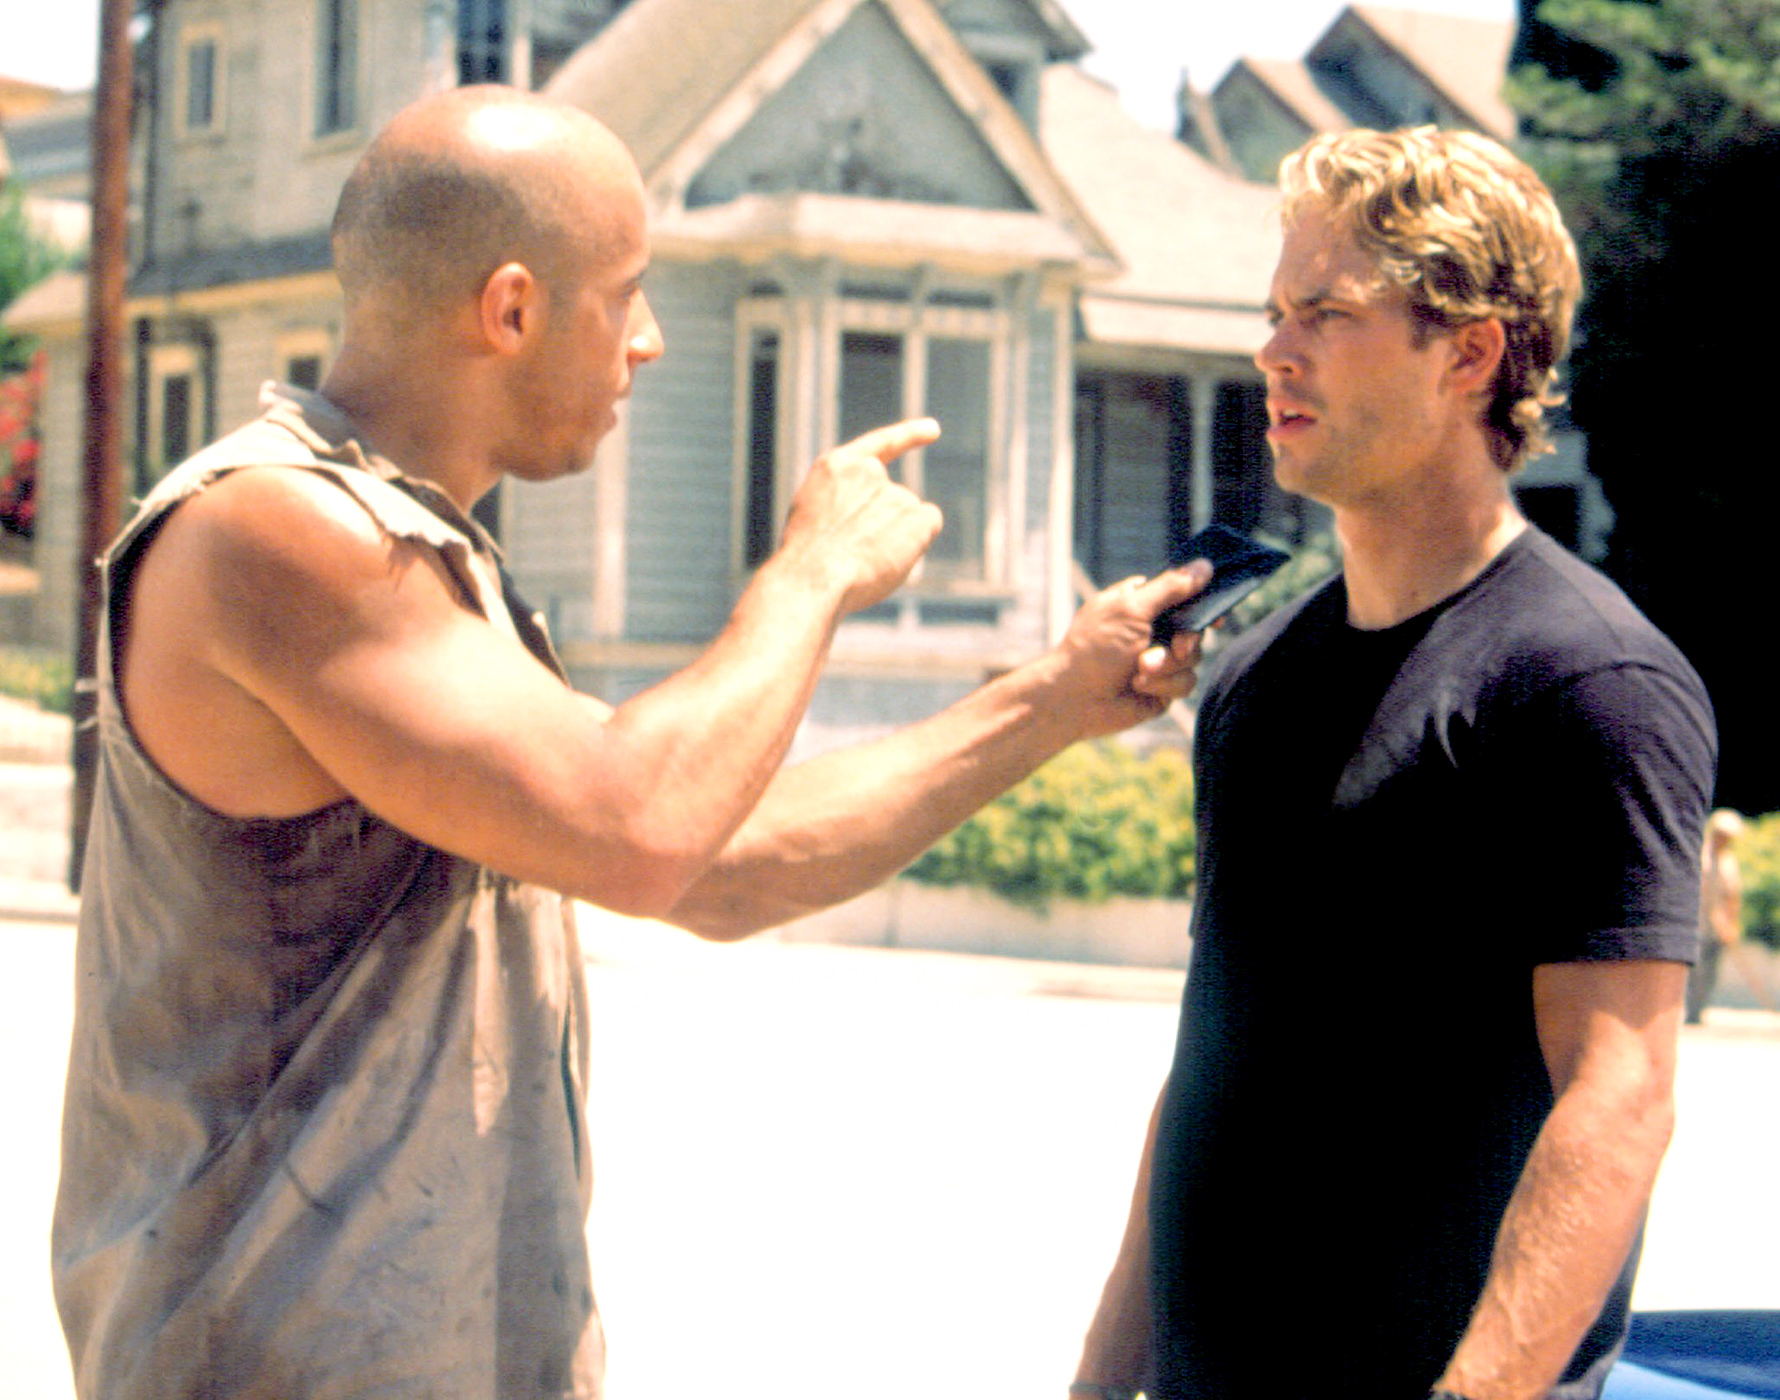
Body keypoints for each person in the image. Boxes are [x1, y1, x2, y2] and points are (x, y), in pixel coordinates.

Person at [51, 86, 1213, 1400]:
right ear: (511, 309)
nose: (650, 341)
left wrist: (1053, 697)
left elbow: (723, 863)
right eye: (626, 294)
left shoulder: (422, 561)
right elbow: (639, 827)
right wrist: (813, 571)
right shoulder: (279, 529)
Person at [1072, 128, 1716, 1400]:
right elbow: (1209, 1069)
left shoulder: (1586, 681)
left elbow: (1619, 1094)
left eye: (1325, 312)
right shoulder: (1252, 682)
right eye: (1274, 312)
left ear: (1467, 354)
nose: (1273, 349)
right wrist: (1099, 1379)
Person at [1686, 809, 1745, 1022]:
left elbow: (1732, 897)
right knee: (1695, 970)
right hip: (1696, 924)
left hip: (1717, 928)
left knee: (1711, 971)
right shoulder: (1699, 856)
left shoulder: (1729, 862)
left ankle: (1698, 1011)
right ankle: (1690, 1011)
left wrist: (1731, 924)